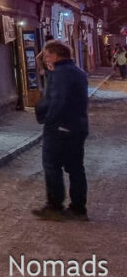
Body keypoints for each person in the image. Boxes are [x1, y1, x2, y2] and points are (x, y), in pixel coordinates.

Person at [32, 40, 89, 221]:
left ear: (56, 56)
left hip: (60, 127)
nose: (46, 58)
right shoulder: (77, 72)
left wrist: (48, 120)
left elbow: (57, 101)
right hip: (78, 126)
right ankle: (78, 208)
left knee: (52, 166)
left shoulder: (60, 74)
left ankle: (55, 206)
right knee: (75, 168)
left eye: (48, 55)